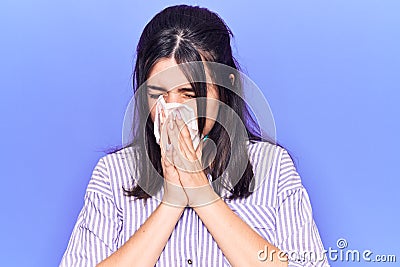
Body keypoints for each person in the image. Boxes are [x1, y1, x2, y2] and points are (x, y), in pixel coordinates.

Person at [60, 4, 330, 267]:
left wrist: (202, 194)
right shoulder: (113, 174)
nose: (174, 111)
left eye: (189, 95)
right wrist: (172, 202)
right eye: (158, 95)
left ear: (226, 86)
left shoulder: (273, 168)